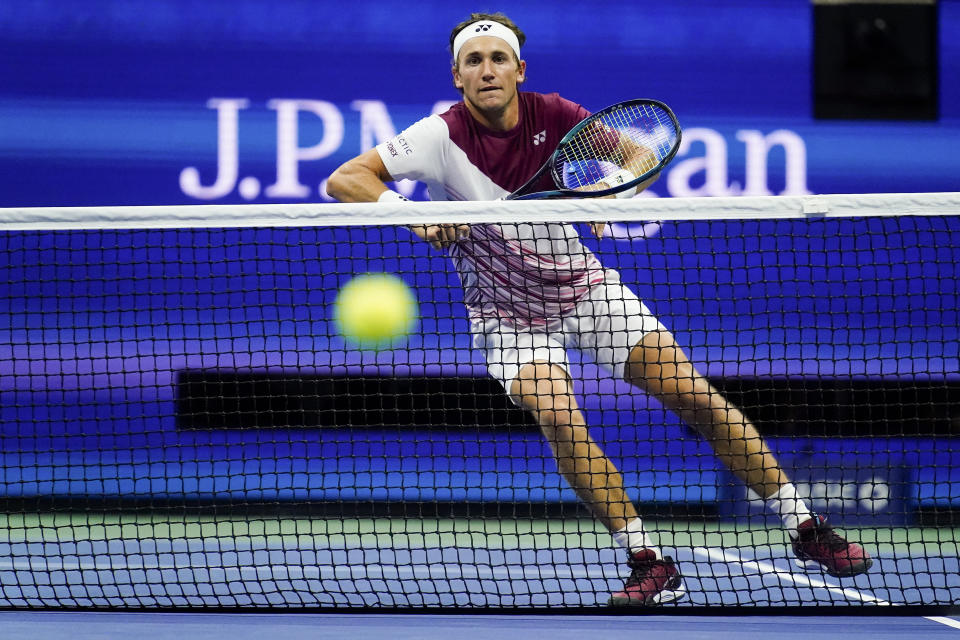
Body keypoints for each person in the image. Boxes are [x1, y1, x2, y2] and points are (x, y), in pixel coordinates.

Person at [326, 11, 872, 606]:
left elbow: (641, 156)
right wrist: (415, 215)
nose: (488, 70)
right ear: (457, 77)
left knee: (694, 397)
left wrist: (598, 187)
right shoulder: (438, 135)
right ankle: (649, 560)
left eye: (498, 59)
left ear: (519, 69)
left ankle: (805, 526)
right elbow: (346, 178)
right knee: (560, 418)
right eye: (474, 62)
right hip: (505, 317)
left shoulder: (558, 116)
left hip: (588, 293)